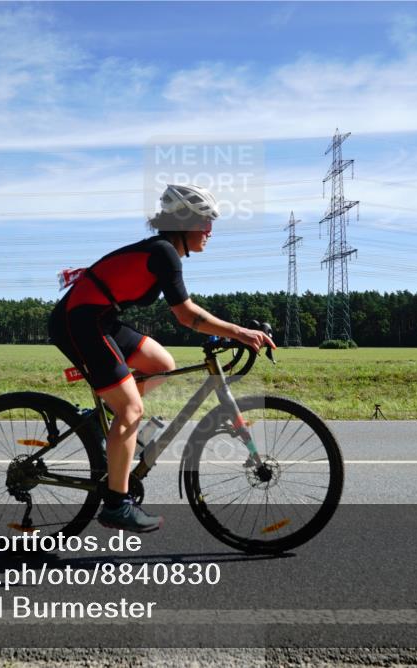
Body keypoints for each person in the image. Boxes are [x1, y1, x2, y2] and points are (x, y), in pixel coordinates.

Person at [47, 184, 275, 533]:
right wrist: (240, 333)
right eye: (205, 223)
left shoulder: (165, 252)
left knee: (162, 364)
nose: (210, 232)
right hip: (79, 321)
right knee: (132, 410)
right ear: (184, 223)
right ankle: (116, 504)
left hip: (101, 319)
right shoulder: (164, 252)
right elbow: (186, 315)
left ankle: (104, 422)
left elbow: (188, 313)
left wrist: (233, 331)